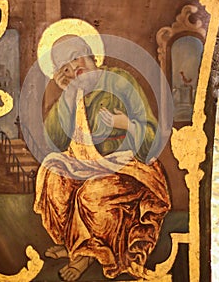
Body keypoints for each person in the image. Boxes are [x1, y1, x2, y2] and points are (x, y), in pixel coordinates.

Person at [34, 36, 171, 281]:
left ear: (91, 55)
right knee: (53, 174)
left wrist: (126, 124)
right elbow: (53, 141)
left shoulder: (120, 82)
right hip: (86, 165)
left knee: (92, 193)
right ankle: (75, 244)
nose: (73, 68)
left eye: (76, 57)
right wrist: (67, 96)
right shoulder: (73, 93)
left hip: (129, 168)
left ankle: (89, 255)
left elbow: (151, 137)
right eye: (63, 66)